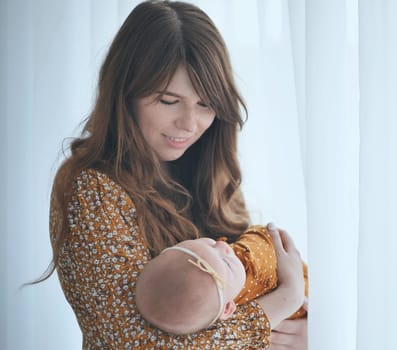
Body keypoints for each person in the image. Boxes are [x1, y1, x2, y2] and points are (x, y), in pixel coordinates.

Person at [43, 1, 307, 348]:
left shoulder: (207, 173)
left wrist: (303, 333)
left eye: (205, 103)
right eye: (169, 101)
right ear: (126, 93)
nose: (189, 124)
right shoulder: (93, 188)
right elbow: (137, 342)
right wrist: (280, 305)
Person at [135, 224, 308, 335]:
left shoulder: (209, 312)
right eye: (227, 264)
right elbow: (266, 236)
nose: (222, 246)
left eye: (205, 245)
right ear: (228, 309)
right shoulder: (253, 266)